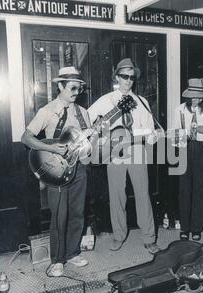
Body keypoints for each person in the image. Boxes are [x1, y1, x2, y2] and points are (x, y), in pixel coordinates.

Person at [21, 66, 90, 277]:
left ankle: (72, 253)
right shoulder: (47, 111)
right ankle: (57, 260)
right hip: (56, 169)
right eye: (71, 87)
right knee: (59, 215)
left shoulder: (83, 112)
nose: (75, 92)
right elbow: (26, 137)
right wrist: (50, 147)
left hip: (79, 168)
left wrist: (94, 138)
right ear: (60, 86)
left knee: (77, 213)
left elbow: (86, 141)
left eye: (78, 88)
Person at [88, 58, 160, 254]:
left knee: (143, 195)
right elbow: (87, 119)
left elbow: (150, 132)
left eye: (131, 77)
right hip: (115, 152)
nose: (128, 80)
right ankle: (119, 236)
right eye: (124, 76)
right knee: (117, 195)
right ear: (117, 77)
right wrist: (101, 135)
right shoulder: (106, 100)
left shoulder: (142, 102)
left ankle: (149, 238)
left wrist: (154, 137)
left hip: (137, 150)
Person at [171, 78, 203, 241]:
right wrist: (182, 136)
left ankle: (197, 228)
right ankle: (185, 228)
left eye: (199, 96)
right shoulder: (179, 110)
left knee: (200, 189)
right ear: (187, 95)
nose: (195, 99)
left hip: (202, 150)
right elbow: (173, 135)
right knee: (184, 190)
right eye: (192, 96)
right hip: (184, 149)